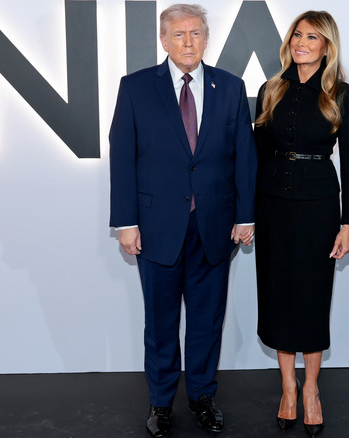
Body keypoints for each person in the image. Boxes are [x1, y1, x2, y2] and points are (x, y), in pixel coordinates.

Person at [109, 4, 257, 438]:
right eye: (179, 35)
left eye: (195, 33)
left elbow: (243, 156)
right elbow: (123, 156)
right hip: (155, 228)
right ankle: (160, 403)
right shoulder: (135, 88)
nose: (188, 41)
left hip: (216, 225)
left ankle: (203, 397)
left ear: (206, 39)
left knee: (208, 320)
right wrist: (125, 221)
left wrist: (246, 215)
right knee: (160, 323)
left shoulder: (230, 87)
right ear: (163, 40)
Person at [253, 10, 349, 438]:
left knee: (312, 296)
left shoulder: (342, 93)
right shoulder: (271, 88)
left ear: (326, 47)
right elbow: (256, 154)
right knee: (278, 294)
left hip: (319, 206)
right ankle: (287, 390)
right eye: (297, 34)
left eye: (312, 37)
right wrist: (246, 212)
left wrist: (347, 224)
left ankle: (312, 389)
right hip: (273, 203)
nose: (301, 42)